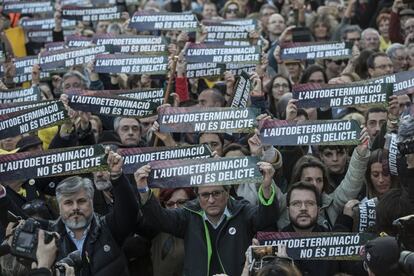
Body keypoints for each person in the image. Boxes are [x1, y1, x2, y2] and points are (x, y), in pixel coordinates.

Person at [134, 161, 278, 276]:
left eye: (216, 193)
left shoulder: (243, 211)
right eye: (205, 195)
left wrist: (266, 188)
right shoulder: (188, 215)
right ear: (198, 196)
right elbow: (159, 219)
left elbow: (265, 219)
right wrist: (143, 189)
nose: (211, 200)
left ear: (227, 193)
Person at [50, 149, 138, 275]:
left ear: (91, 200)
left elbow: (129, 211)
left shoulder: (109, 228)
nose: (75, 207)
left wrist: (117, 176)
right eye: (68, 203)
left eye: (81, 201)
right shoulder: (48, 237)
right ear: (59, 207)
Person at [276, 127, 370, 230]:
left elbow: (352, 181)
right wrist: (267, 151)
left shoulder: (330, 204)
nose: (315, 184)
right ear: (298, 180)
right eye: (308, 180)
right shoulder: (283, 203)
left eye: (319, 180)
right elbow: (267, 187)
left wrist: (360, 154)